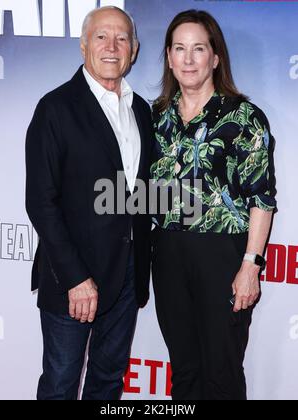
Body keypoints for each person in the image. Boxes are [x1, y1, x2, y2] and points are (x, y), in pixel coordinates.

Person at [25, 6, 152, 400]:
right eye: (101, 37)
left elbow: (141, 194)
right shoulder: (56, 108)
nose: (112, 47)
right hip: (73, 279)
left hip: (128, 276)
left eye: (122, 38)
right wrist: (76, 279)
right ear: (83, 46)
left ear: (133, 49)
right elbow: (40, 201)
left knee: (108, 381)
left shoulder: (142, 110)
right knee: (61, 384)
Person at [150, 10, 276, 400]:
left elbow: (262, 199)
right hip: (168, 252)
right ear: (169, 57)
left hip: (224, 255)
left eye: (199, 49)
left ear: (215, 57)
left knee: (221, 372)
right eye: (180, 49)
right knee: (184, 370)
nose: (188, 60)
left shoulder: (244, 117)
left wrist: (250, 266)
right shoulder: (156, 118)